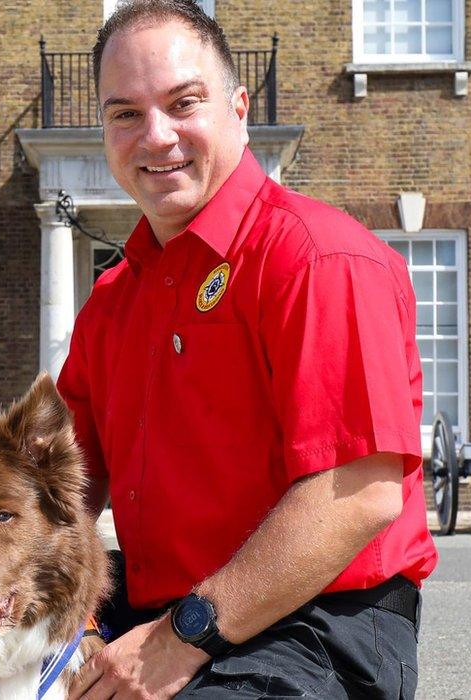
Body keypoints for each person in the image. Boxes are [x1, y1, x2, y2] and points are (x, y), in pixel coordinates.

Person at [57, 1, 437, 698]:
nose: (157, 136)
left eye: (183, 103)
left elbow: (359, 496)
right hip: (157, 606)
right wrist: (73, 621)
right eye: (126, 114)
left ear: (238, 107)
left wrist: (182, 639)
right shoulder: (112, 302)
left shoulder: (321, 260)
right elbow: (60, 490)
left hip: (318, 622)